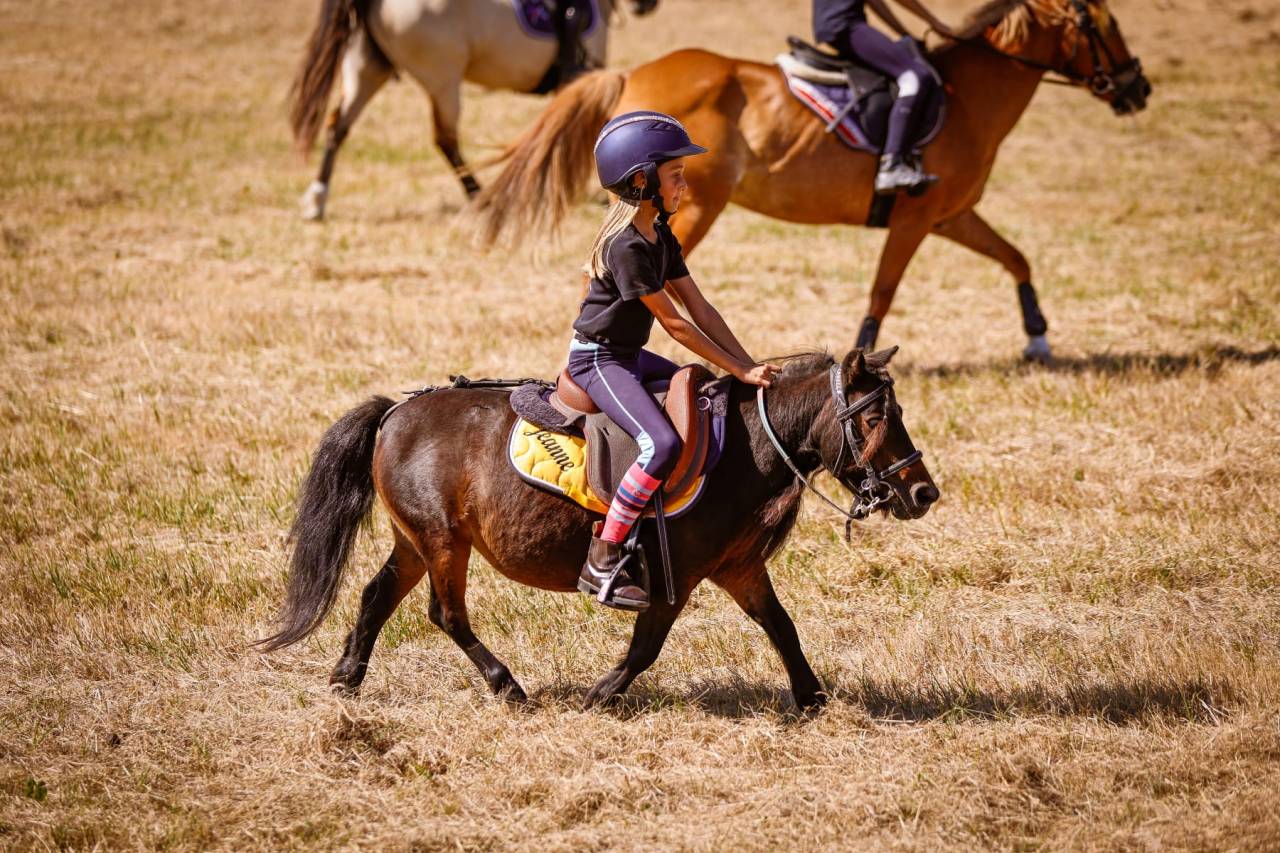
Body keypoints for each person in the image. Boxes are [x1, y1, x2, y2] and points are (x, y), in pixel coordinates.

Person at [569, 111, 781, 612]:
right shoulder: (626, 247)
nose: (685, 183)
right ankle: (605, 551)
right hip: (597, 361)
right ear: (642, 181)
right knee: (660, 442)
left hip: (629, 356)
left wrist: (747, 367)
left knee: (707, 396)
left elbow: (701, 308)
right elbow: (677, 325)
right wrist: (739, 370)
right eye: (676, 175)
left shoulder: (660, 235)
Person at [812, 0, 958, 194]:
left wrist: (902, 31)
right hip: (845, 24)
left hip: (837, 23)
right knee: (914, 77)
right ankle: (891, 165)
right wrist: (935, 23)